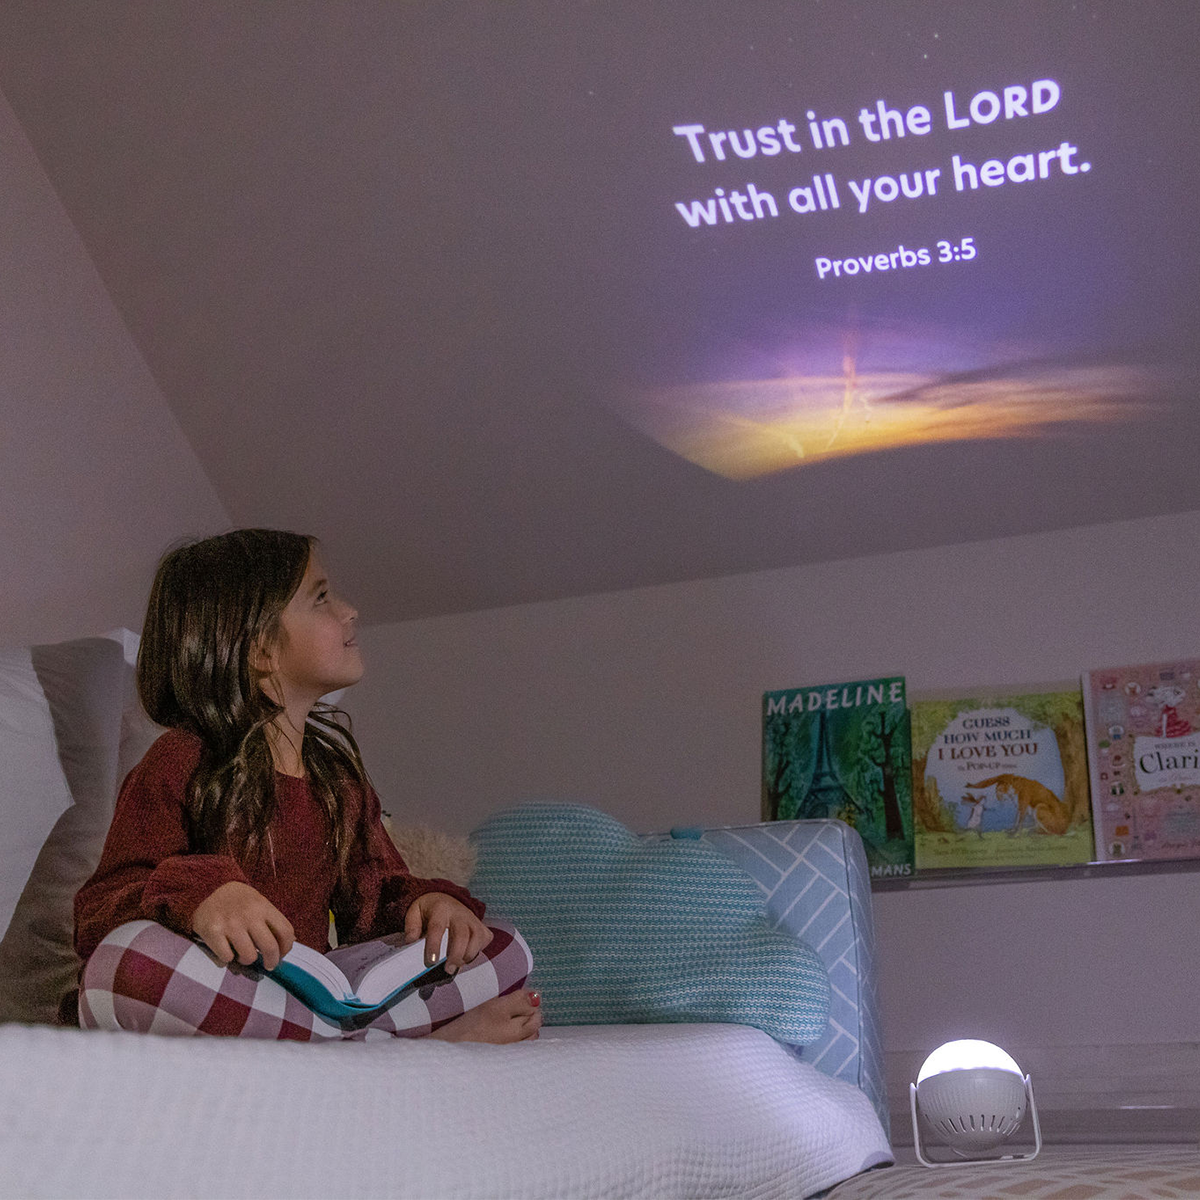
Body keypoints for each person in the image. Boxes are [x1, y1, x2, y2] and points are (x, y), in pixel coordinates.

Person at [69, 529, 541, 1043]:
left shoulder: (336, 777)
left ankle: (336, 1046)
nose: (350, 610)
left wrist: (427, 906)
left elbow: (375, 898)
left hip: (313, 996)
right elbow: (101, 911)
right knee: (120, 968)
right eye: (321, 598)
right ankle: (388, 1049)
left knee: (504, 947)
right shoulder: (181, 760)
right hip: (229, 983)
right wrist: (204, 894)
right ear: (260, 648)